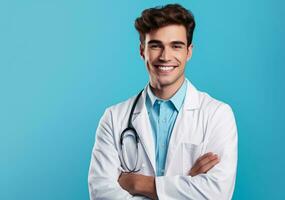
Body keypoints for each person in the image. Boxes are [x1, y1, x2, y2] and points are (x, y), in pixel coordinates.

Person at [88, 4, 238, 200]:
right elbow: (101, 193)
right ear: (142, 51)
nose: (165, 56)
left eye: (176, 46)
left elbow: (216, 193)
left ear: (189, 52)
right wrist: (186, 182)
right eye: (155, 45)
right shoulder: (114, 118)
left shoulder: (217, 114)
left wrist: (137, 183)